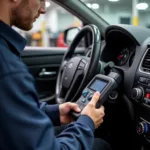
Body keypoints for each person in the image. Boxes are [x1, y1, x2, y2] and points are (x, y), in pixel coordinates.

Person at [0, 0, 111, 150]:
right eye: (40, 0)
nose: (43, 9)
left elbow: (11, 111)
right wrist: (87, 122)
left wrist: (54, 113)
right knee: (102, 145)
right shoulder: (8, 68)